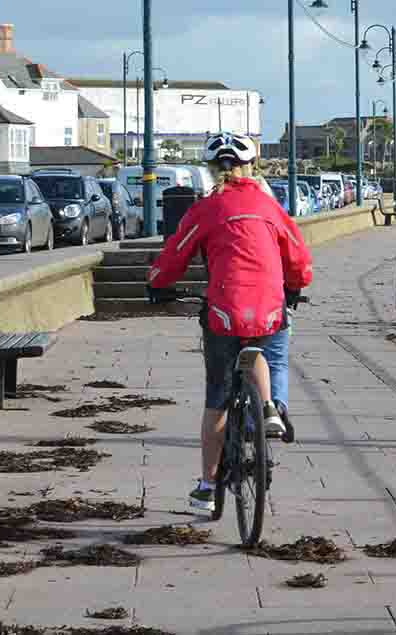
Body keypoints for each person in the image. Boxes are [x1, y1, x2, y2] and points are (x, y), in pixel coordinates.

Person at [147, 132, 313, 514]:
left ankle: (207, 488)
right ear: (251, 167)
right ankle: (270, 407)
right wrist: (295, 285)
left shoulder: (207, 208)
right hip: (270, 308)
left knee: (217, 400)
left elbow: (174, 254)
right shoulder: (270, 207)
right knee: (270, 351)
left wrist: (156, 283)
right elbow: (299, 259)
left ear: (210, 169)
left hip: (224, 311)